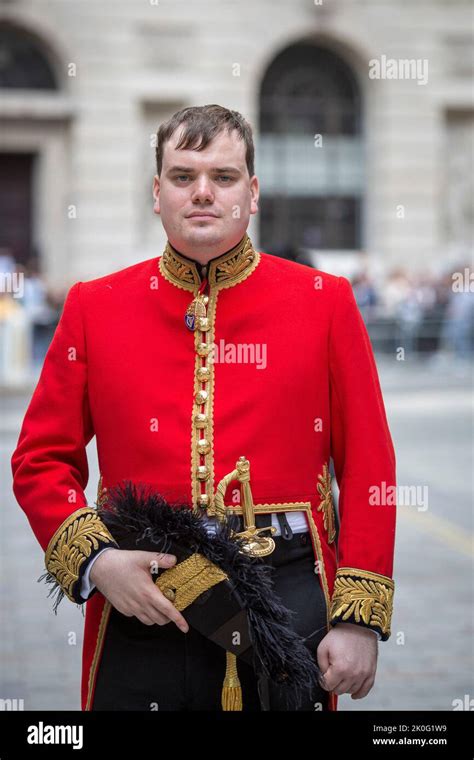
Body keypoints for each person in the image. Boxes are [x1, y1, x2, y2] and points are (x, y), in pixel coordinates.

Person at [11, 104, 396, 712]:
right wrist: (97, 562)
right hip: (140, 597)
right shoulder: (94, 306)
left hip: (287, 594)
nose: (203, 193)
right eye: (183, 176)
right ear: (155, 192)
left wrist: (358, 619)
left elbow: (370, 464)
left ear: (254, 191)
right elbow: (40, 460)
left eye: (224, 176)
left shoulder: (325, 302)